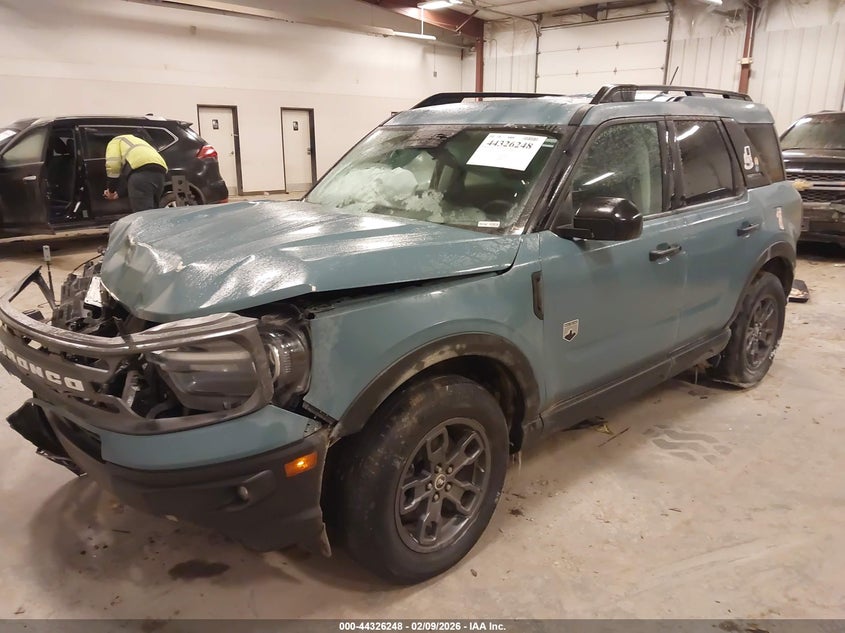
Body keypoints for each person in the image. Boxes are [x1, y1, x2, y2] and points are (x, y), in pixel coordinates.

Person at [103, 130, 168, 212]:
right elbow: (131, 177)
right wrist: (119, 193)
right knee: (153, 213)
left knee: (143, 214)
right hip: (160, 174)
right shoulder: (137, 141)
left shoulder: (114, 142)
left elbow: (113, 166)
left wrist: (111, 190)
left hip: (141, 173)